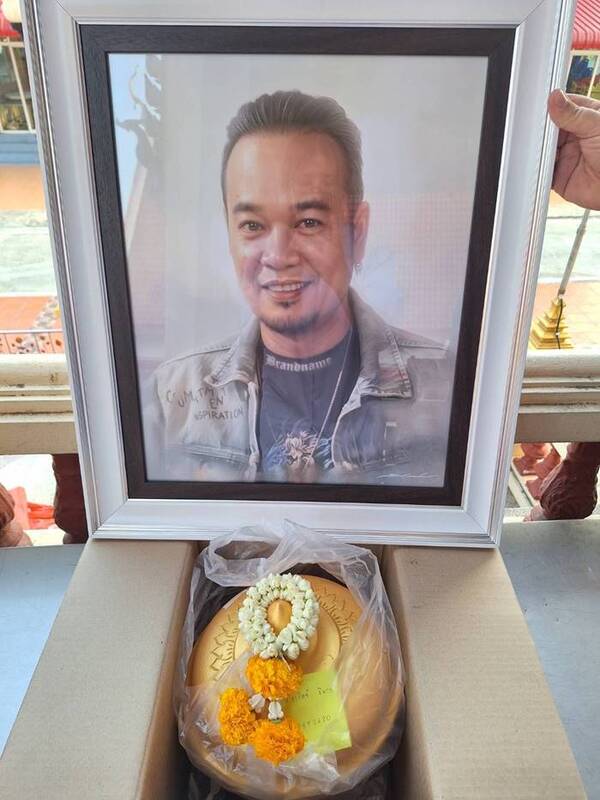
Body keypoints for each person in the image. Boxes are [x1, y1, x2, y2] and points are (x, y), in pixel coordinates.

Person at [144, 90, 452, 484]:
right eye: (252, 226)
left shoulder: (448, 386)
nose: (278, 255)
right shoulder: (172, 398)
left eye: (308, 222)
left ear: (357, 232)